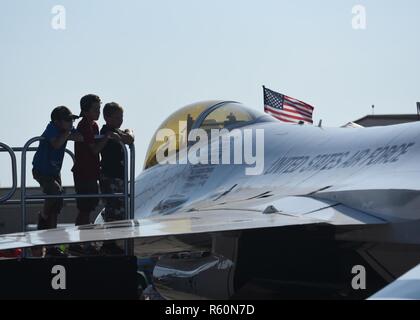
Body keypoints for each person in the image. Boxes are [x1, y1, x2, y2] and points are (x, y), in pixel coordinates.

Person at [32, 106, 83, 231]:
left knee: (57, 203)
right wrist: (67, 133)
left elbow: (80, 138)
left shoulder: (67, 130)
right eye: (68, 120)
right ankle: (43, 216)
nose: (71, 123)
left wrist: (69, 132)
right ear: (57, 122)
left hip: (54, 172)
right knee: (55, 190)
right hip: (41, 170)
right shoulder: (51, 128)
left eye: (72, 120)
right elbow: (56, 144)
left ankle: (52, 243)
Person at [99, 102, 134, 254]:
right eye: (117, 117)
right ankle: (108, 242)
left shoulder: (118, 131)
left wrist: (125, 134)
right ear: (107, 117)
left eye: (122, 116)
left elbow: (129, 138)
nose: (120, 119)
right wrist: (120, 136)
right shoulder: (106, 130)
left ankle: (114, 241)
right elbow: (120, 137)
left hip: (119, 176)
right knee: (112, 209)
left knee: (120, 210)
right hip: (110, 176)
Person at [72, 94, 112, 227]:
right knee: (84, 208)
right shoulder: (84, 126)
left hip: (92, 172)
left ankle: (83, 239)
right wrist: (107, 137)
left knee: (90, 205)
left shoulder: (94, 125)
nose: (98, 112)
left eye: (99, 109)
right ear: (85, 111)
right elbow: (94, 150)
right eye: (95, 109)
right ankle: (79, 241)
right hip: (83, 172)